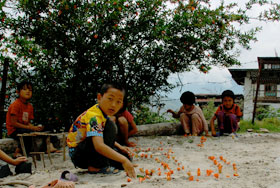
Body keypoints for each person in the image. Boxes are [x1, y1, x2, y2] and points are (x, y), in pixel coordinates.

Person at [67, 83, 136, 178]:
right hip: (79, 154)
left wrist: (120, 147)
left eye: (118, 102)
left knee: (125, 157)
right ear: (99, 97)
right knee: (111, 126)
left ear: (122, 104)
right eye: (110, 99)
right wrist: (123, 160)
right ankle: (95, 167)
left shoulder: (102, 114)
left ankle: (102, 163)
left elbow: (99, 135)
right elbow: (99, 145)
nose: (113, 105)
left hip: (88, 149)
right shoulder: (93, 116)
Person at [6, 81, 59, 158]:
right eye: (24, 89)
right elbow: (14, 123)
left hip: (25, 128)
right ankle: (17, 152)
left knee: (47, 127)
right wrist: (31, 128)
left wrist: (36, 128)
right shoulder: (15, 105)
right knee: (27, 133)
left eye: (30, 90)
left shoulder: (30, 106)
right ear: (18, 92)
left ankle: (49, 146)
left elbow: (28, 123)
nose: (27, 91)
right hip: (14, 130)